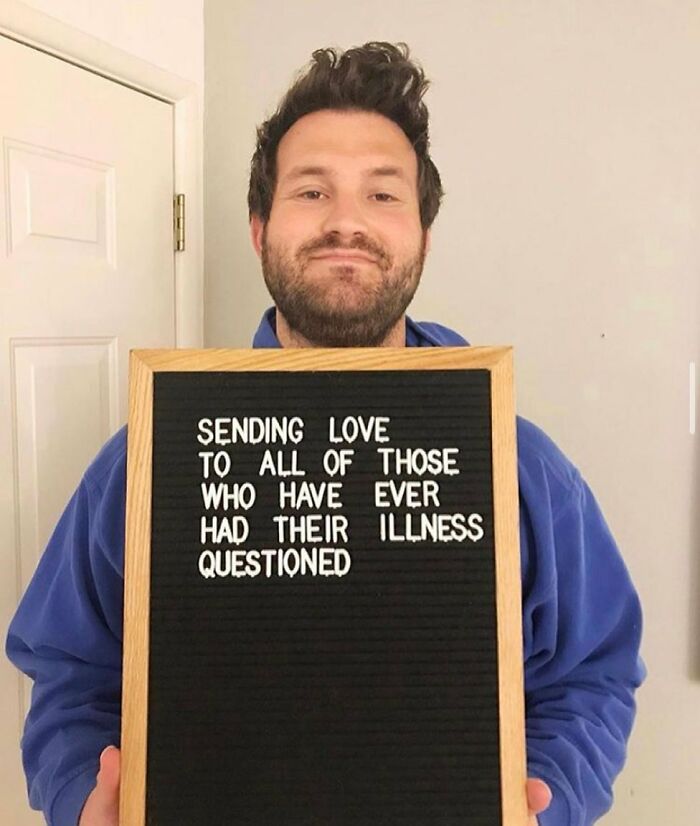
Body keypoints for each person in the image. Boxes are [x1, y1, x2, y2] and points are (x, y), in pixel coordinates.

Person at [5, 42, 644, 826]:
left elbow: (591, 674)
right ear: (258, 226)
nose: (346, 222)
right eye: (312, 191)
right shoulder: (146, 464)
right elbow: (72, 676)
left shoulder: (521, 468)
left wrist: (552, 800)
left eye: (383, 196)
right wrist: (84, 800)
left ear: (423, 234)